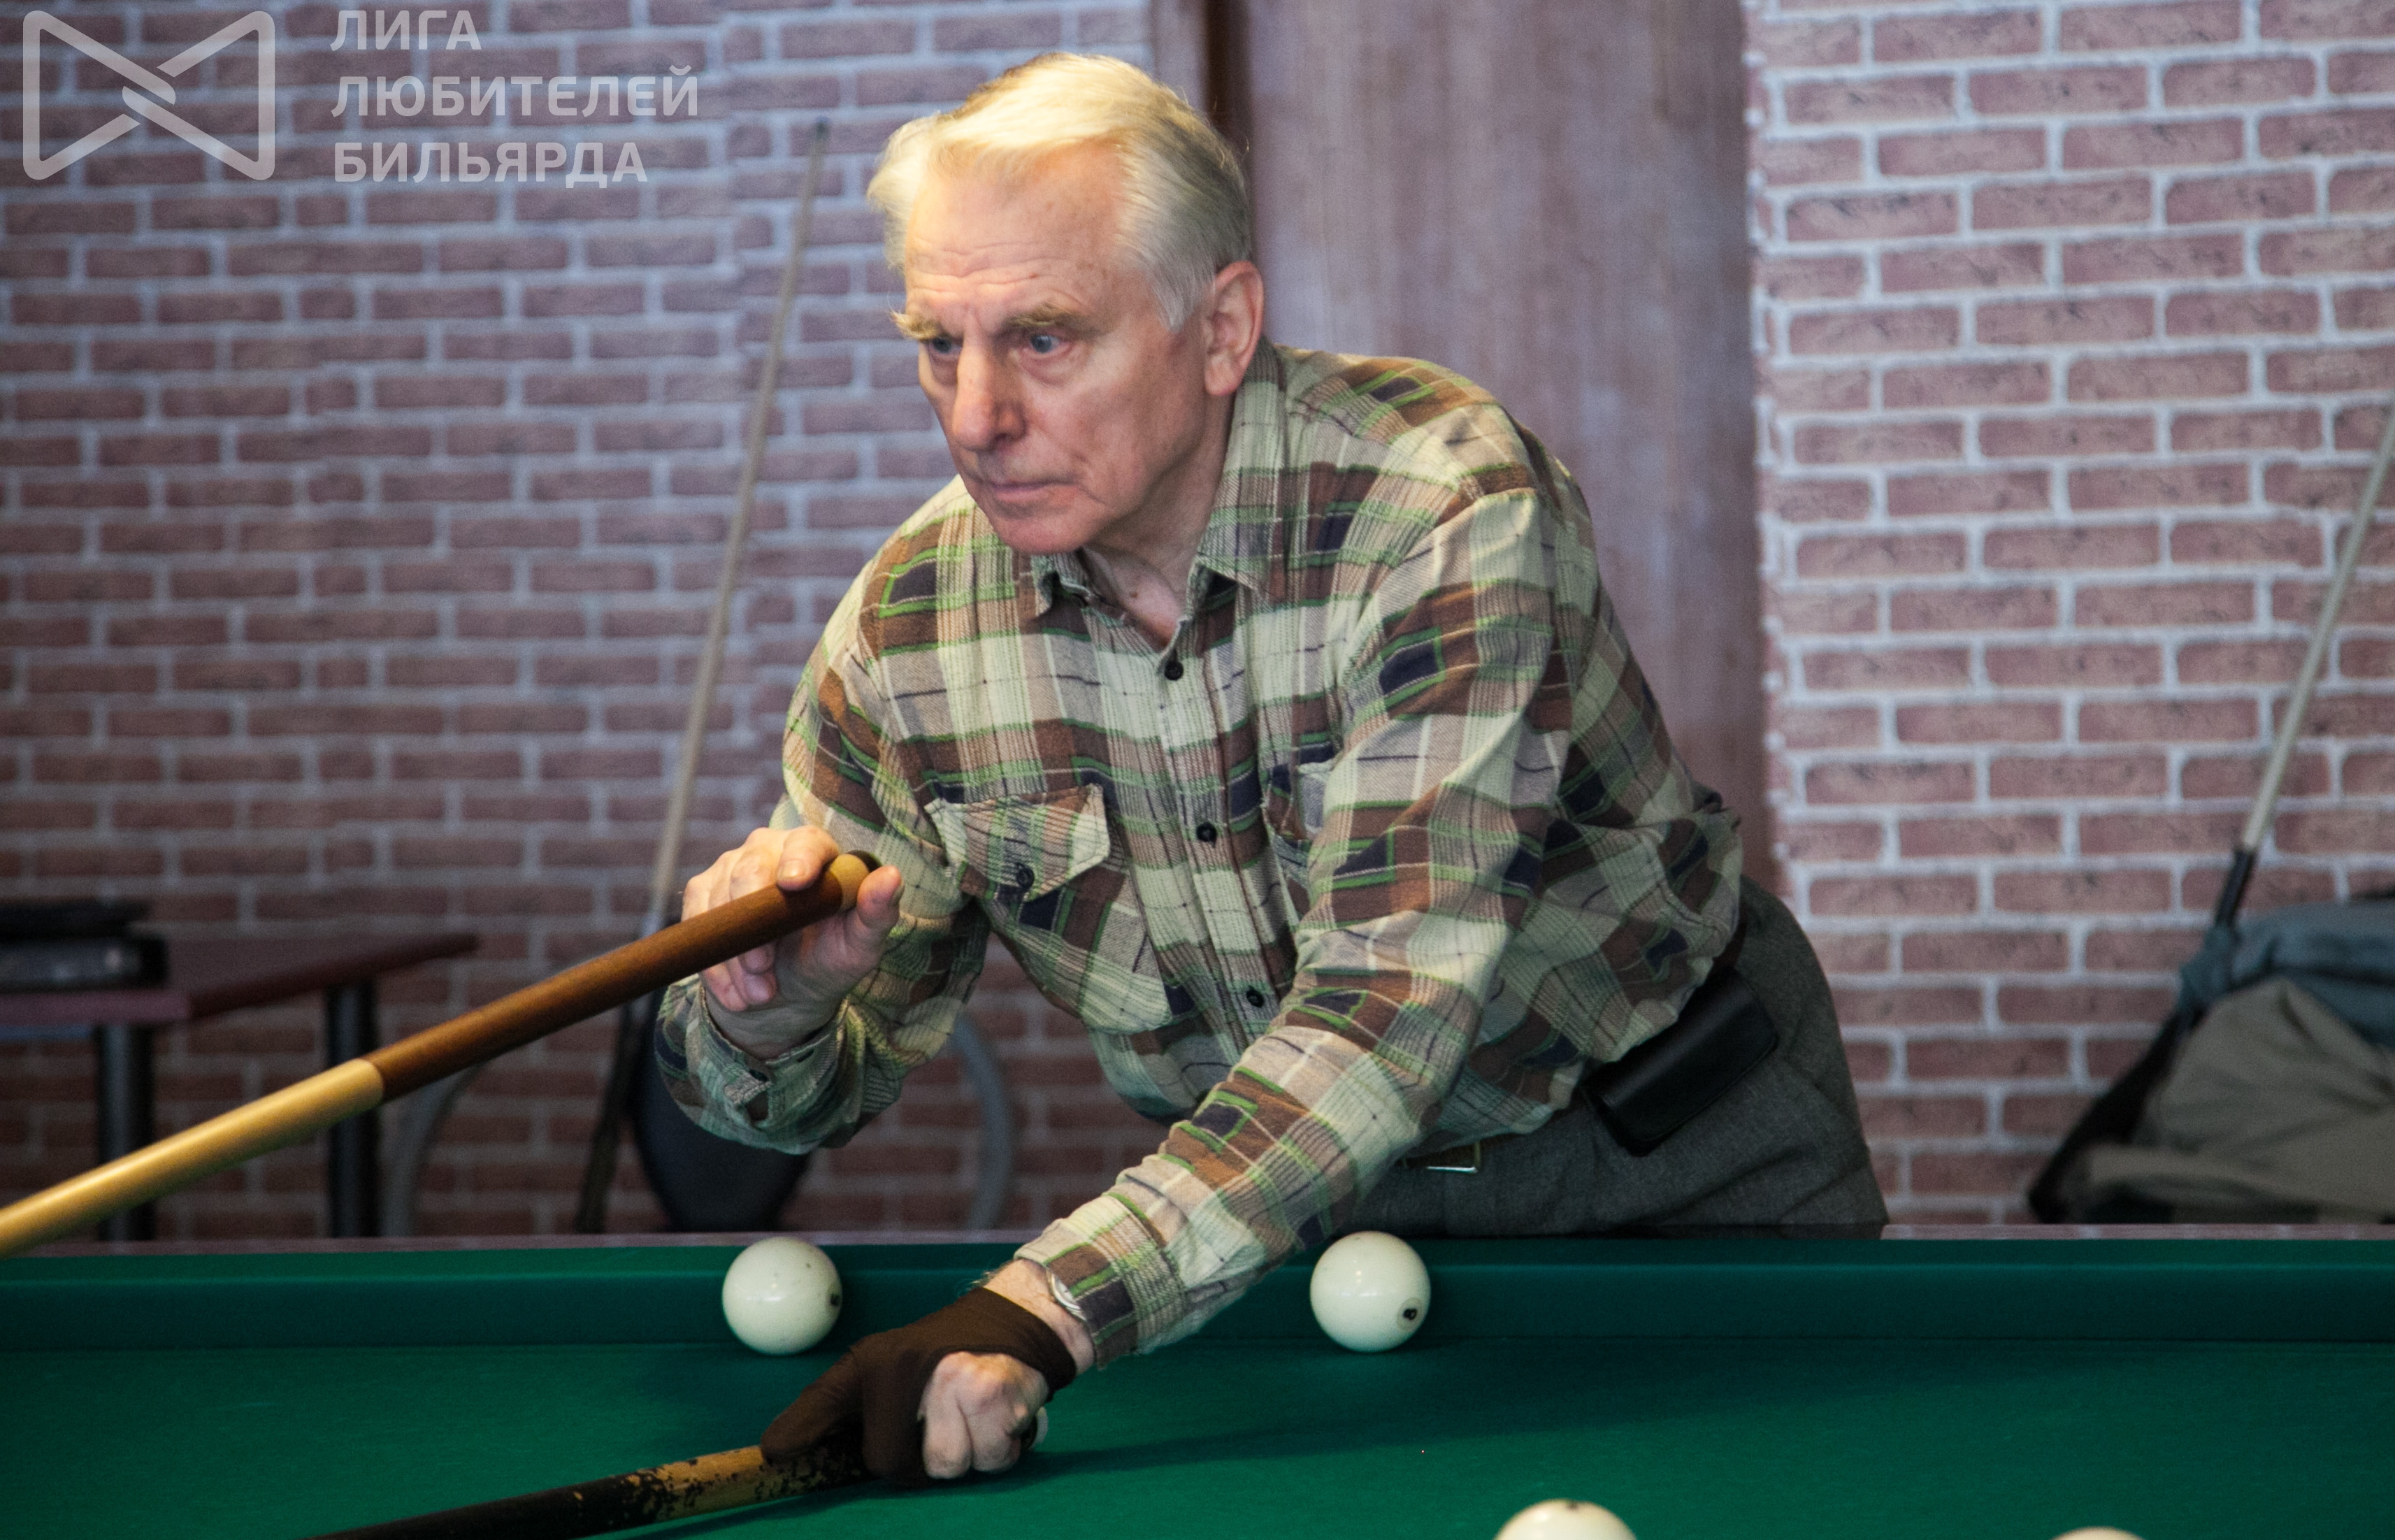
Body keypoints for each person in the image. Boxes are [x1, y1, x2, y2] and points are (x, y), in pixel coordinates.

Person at [656, 52, 1883, 1488]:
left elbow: (1382, 1006)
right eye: (939, 343)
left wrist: (1037, 1309)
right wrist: (772, 1008)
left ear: (1221, 327)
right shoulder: (909, 633)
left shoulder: (1441, 508)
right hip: (1286, 1236)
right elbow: (775, 1114)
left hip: (1671, 1170)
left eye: (1043, 340)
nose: (975, 415)